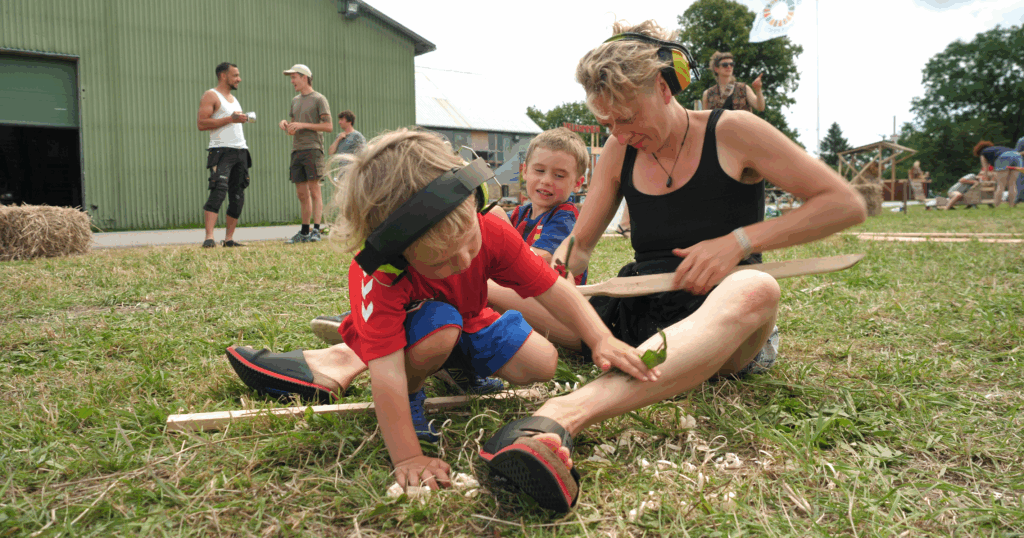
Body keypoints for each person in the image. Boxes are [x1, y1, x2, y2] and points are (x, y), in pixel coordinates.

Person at [477, 20, 866, 512]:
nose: (618, 132)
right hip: (635, 311)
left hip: (720, 315)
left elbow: (844, 203)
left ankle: (559, 418)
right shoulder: (621, 146)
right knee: (489, 281)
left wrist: (737, 242)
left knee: (757, 287)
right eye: (608, 122)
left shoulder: (734, 131)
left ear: (662, 88)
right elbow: (579, 245)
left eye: (626, 117)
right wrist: (554, 266)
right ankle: (408, 339)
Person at [226, 129, 652, 491]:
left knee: (543, 362)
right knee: (438, 329)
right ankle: (412, 383)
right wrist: (408, 457)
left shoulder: (490, 231)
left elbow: (553, 290)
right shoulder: (380, 277)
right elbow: (388, 376)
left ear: (477, 199)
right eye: (442, 260)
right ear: (395, 253)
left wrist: (601, 337)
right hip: (431, 328)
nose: (465, 261)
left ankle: (454, 366)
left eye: (469, 242)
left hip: (468, 321)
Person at [490, 127, 590, 285]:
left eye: (559, 175)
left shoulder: (565, 217)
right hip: (523, 290)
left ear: (577, 183)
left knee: (496, 214)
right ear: (525, 171)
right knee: (492, 215)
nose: (546, 180)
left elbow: (541, 259)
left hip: (552, 300)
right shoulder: (520, 214)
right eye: (539, 170)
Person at [196, 62, 251, 248]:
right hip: (221, 151)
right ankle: (209, 238)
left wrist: (240, 119)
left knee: (237, 195)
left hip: (240, 151)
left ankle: (229, 239)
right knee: (218, 190)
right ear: (223, 76)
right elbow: (202, 123)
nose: (239, 79)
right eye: (235, 75)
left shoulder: (234, 99)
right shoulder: (211, 95)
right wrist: (231, 119)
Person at [279, 64, 333, 243]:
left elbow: (328, 126)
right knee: (301, 194)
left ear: (304, 77)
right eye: (291, 78)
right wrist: (286, 125)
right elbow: (292, 130)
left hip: (313, 149)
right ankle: (304, 232)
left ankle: (316, 231)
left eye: (294, 77)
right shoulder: (295, 101)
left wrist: (303, 125)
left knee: (314, 191)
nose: (292, 81)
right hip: (297, 150)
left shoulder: (319, 99)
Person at [701, 51, 765, 113]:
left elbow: (760, 107)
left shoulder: (743, 88)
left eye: (731, 64)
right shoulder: (708, 94)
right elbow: (705, 119)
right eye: (725, 65)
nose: (729, 67)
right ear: (716, 69)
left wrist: (758, 90)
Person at [973, 140, 1021, 208]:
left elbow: (985, 169)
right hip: (1017, 156)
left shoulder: (983, 153)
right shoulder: (996, 149)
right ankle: (1011, 205)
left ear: (978, 150)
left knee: (1001, 185)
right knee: (1012, 184)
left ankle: (997, 206)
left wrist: (986, 181)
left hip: (1004, 157)